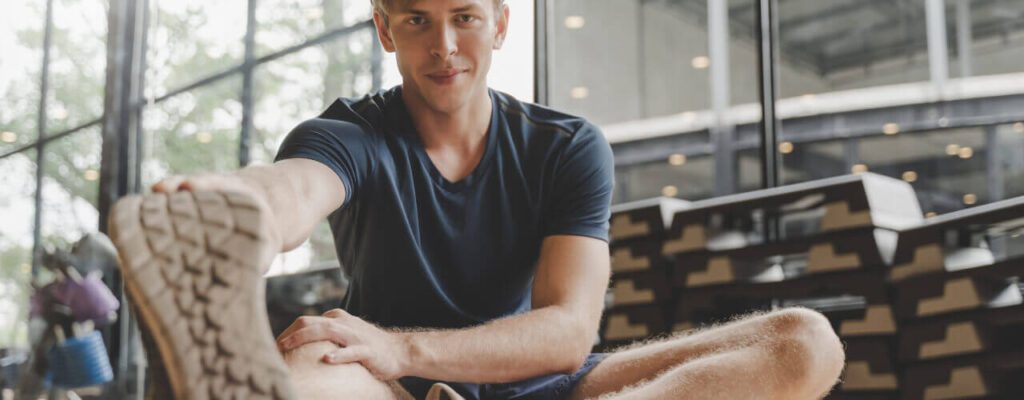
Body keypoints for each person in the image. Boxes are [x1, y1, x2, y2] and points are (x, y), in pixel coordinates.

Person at [111, 0, 845, 399]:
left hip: (549, 389)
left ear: (499, 20)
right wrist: (233, 209)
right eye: (416, 21)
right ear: (382, 27)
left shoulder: (566, 146)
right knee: (304, 385)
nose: (444, 47)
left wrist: (404, 345)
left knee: (802, 341)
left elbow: (567, 333)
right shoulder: (351, 134)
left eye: (463, 16)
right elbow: (295, 189)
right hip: (389, 388)